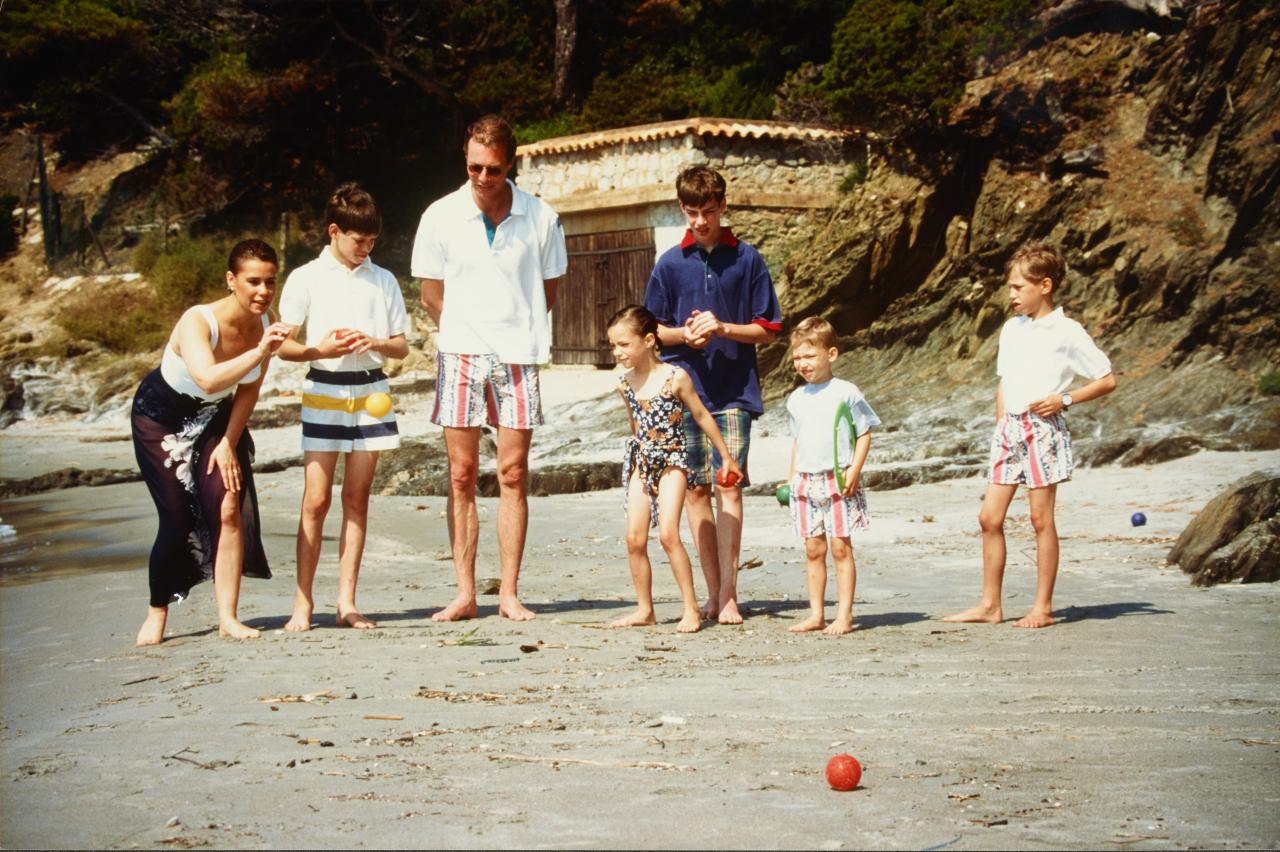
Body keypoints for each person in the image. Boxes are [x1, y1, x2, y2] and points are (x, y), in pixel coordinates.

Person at [411, 114, 567, 622]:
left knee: (514, 473)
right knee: (459, 475)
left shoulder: (542, 217)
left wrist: (511, 330)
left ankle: (509, 592)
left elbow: (547, 291)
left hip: (519, 354)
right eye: (475, 167)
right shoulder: (439, 214)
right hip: (459, 353)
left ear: (510, 164)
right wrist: (464, 329)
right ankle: (464, 592)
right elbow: (430, 292)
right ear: (465, 160)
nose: (482, 178)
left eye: (493, 170)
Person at [945, 241, 1117, 629]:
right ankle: (990, 605)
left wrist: (1065, 399)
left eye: (1018, 288)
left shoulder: (1068, 331)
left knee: (1041, 519)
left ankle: (1043, 607)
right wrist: (1000, 425)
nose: (1011, 295)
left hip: (1044, 429)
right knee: (989, 517)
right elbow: (1004, 381)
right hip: (1009, 430)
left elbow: (1107, 380)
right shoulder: (1011, 329)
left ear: (1045, 285)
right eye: (1010, 287)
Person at [131, 239, 293, 646]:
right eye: (253, 281)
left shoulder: (264, 321)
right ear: (230, 280)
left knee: (228, 508)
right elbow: (207, 378)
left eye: (270, 282)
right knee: (178, 520)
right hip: (160, 420)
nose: (263, 291)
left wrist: (228, 443)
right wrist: (259, 350)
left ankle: (228, 617)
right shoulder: (197, 321)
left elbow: (248, 391)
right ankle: (157, 608)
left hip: (215, 421)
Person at [644, 165, 782, 624]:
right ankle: (709, 592)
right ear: (681, 209)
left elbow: (769, 330)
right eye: (691, 212)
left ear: (724, 206)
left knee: (729, 487)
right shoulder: (668, 263)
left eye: (708, 211)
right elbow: (652, 333)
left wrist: (723, 327)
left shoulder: (748, 259)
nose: (700, 221)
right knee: (697, 491)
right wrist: (685, 335)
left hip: (735, 392)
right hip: (685, 392)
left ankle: (728, 594)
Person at [277, 183, 409, 631]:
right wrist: (320, 349)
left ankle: (347, 602)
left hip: (373, 392)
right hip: (324, 388)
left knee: (357, 498)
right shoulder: (305, 277)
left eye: (372, 241)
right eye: (358, 240)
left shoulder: (384, 279)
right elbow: (283, 348)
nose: (365, 248)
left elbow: (402, 348)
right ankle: (302, 603)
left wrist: (374, 341)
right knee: (315, 500)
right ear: (334, 231)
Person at [607, 306, 743, 633]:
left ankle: (691, 608)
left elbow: (702, 415)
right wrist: (639, 464)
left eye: (623, 344)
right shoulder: (624, 384)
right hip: (643, 463)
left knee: (668, 533)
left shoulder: (675, 377)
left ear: (650, 340)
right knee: (634, 539)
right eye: (613, 345)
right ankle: (645, 609)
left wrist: (726, 457)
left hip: (673, 461)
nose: (617, 352)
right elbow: (635, 427)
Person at [783, 317, 880, 636]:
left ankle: (845, 614)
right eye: (797, 357)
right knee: (813, 549)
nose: (803, 363)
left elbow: (863, 433)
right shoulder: (796, 399)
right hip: (806, 482)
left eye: (810, 356)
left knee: (840, 547)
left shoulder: (846, 392)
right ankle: (815, 614)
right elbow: (797, 441)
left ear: (832, 354)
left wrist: (854, 469)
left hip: (837, 479)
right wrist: (790, 479)